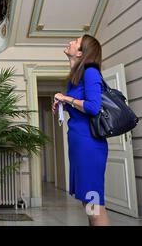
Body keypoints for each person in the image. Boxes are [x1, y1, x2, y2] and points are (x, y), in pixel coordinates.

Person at [52, 35, 109, 226]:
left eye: (76, 41)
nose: (70, 41)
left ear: (80, 52)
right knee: (89, 203)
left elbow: (93, 107)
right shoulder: (75, 78)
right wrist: (63, 104)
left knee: (94, 207)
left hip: (89, 146)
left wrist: (65, 98)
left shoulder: (90, 72)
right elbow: (80, 109)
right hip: (79, 145)